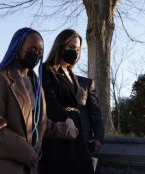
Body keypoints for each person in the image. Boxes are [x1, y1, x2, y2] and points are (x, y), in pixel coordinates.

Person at [0, 27, 79, 174]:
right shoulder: (3, 78)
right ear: (18, 47)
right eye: (32, 49)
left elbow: (36, 123)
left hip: (31, 167)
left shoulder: (36, 84)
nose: (36, 54)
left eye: (40, 52)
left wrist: (63, 130)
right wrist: (28, 153)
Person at [40, 29, 104, 174]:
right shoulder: (47, 69)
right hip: (58, 130)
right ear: (60, 46)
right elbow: (49, 100)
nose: (74, 51)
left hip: (78, 131)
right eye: (71, 47)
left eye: (77, 48)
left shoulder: (72, 74)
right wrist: (65, 118)